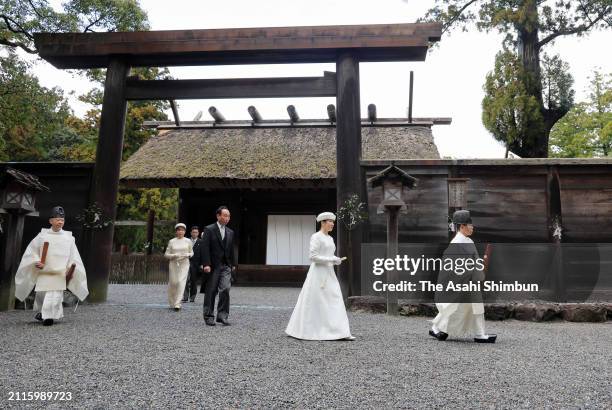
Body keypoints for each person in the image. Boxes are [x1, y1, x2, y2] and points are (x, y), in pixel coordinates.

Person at [429, 210, 497, 343]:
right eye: (470, 225)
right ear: (462, 227)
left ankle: (479, 333)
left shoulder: (467, 241)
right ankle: (437, 327)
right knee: (454, 307)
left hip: (469, 281)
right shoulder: (457, 243)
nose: (472, 227)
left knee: (468, 306)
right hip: (462, 281)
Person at [285, 212, 355, 341]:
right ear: (323, 222)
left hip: (329, 272)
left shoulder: (330, 238)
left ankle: (340, 331)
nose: (332, 224)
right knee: (316, 301)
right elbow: (313, 257)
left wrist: (334, 259)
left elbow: (328, 255)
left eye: (333, 222)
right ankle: (309, 330)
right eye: (330, 222)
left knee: (334, 298)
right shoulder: (316, 237)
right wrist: (332, 259)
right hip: (318, 273)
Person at [14, 206, 88, 326]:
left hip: (59, 273)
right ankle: (42, 313)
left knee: (54, 296)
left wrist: (71, 266)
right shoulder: (42, 236)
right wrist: (36, 261)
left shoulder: (69, 238)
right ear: (51, 221)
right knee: (42, 296)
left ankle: (48, 317)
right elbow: (31, 251)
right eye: (57, 219)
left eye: (62, 220)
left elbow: (73, 255)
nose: (60, 222)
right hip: (44, 272)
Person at [201, 206, 236, 326]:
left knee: (225, 289)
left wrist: (233, 264)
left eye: (229, 216)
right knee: (211, 291)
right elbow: (204, 248)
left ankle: (222, 315)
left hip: (226, 265)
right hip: (213, 265)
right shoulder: (209, 229)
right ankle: (208, 316)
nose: (227, 218)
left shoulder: (230, 232)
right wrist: (206, 264)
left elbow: (231, 250)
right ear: (218, 216)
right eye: (225, 215)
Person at [164, 223, 193, 311]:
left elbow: (192, 252)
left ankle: (177, 303)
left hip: (184, 263)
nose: (180, 232)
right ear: (176, 231)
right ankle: (172, 302)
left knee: (181, 282)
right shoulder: (172, 241)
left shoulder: (188, 241)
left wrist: (187, 254)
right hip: (173, 263)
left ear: (185, 231)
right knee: (173, 282)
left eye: (182, 230)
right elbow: (166, 254)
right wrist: (173, 255)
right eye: (179, 230)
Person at [182, 225, 203, 303]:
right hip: (186, 262)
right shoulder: (186, 241)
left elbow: (203, 254)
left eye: (196, 232)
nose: (194, 233)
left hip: (196, 264)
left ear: (198, 233)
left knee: (194, 281)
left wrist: (202, 264)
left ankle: (192, 297)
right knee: (185, 280)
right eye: (193, 232)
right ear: (191, 233)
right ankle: (185, 296)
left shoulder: (201, 242)